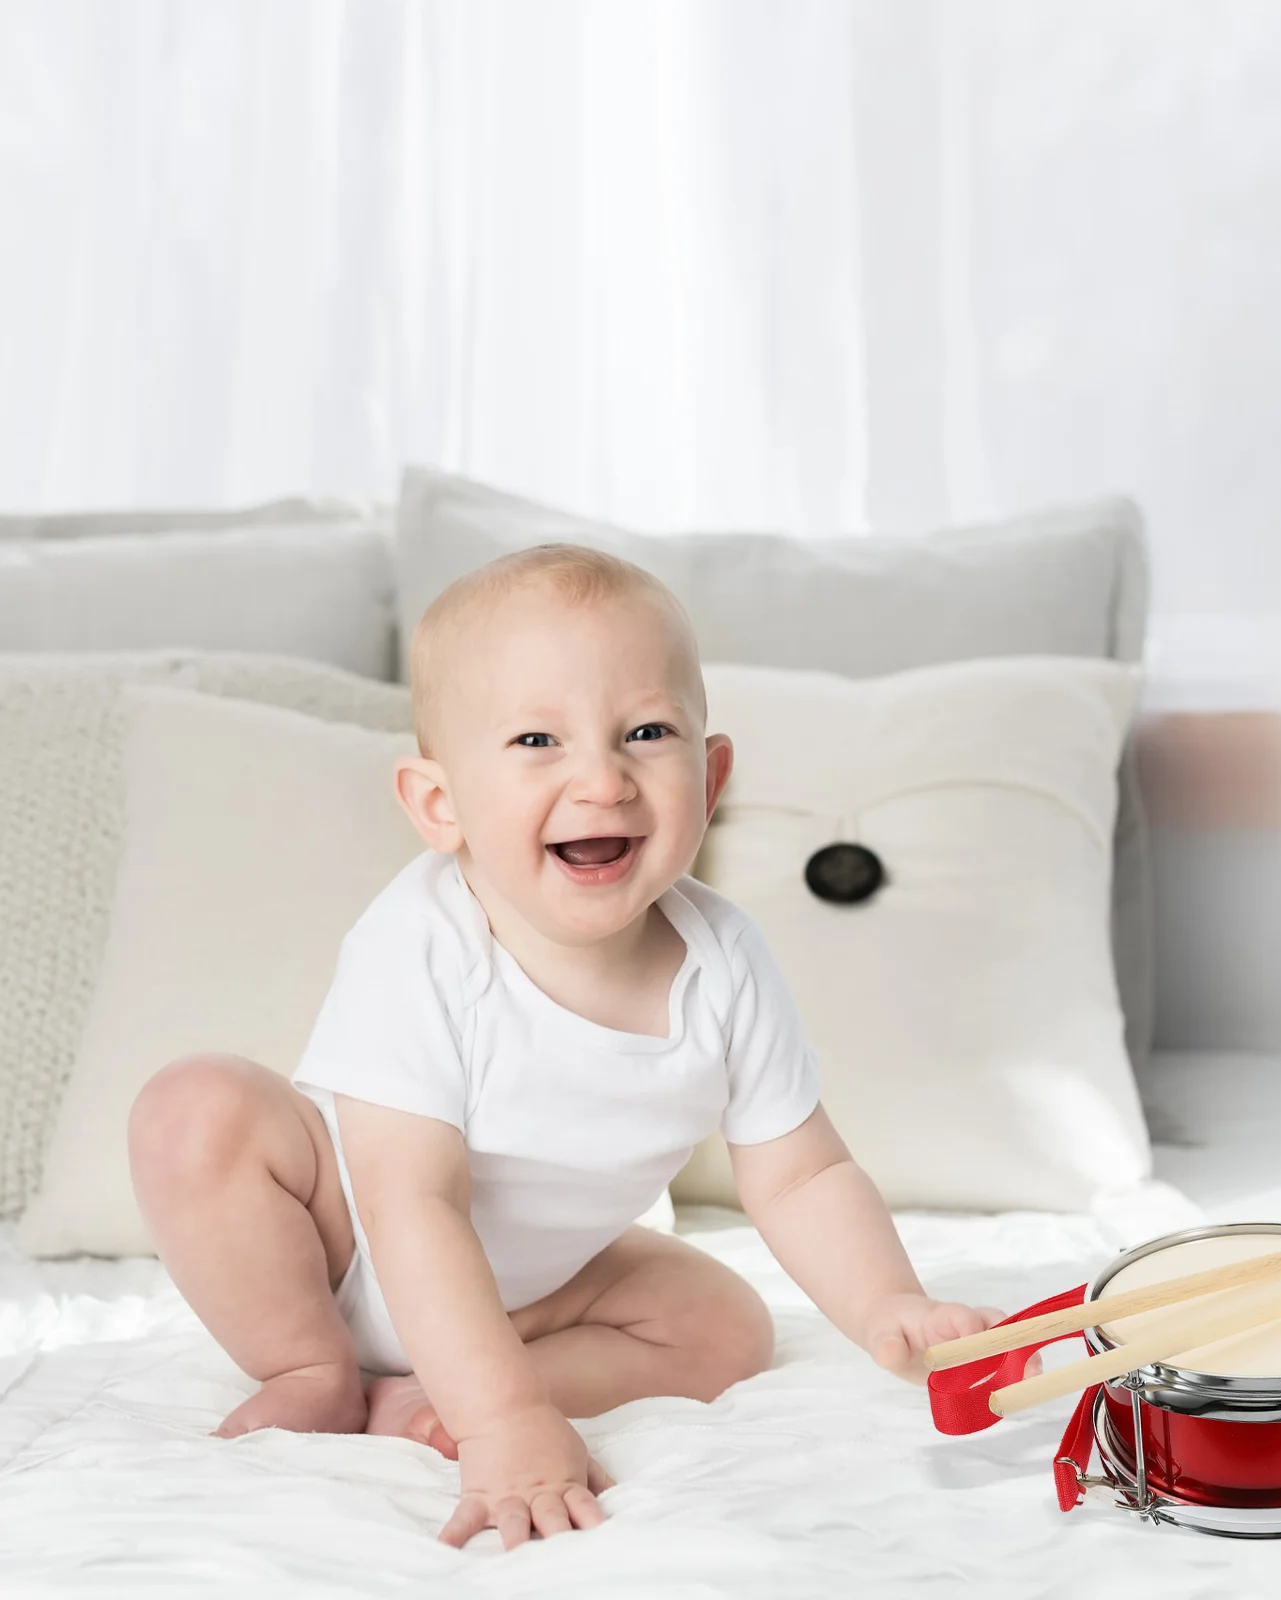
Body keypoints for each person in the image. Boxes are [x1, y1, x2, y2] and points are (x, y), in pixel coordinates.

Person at [128, 544, 1015, 1553]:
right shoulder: (420, 940)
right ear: (439, 803)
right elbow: (409, 1202)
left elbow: (803, 1173)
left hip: (539, 1286)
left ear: (711, 774)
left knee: (726, 1326)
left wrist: (886, 1302)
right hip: (345, 1238)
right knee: (195, 1109)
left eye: (645, 732)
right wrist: (502, 1428)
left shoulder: (723, 959)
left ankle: (428, 1393)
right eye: (536, 739)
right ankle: (312, 1367)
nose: (602, 778)